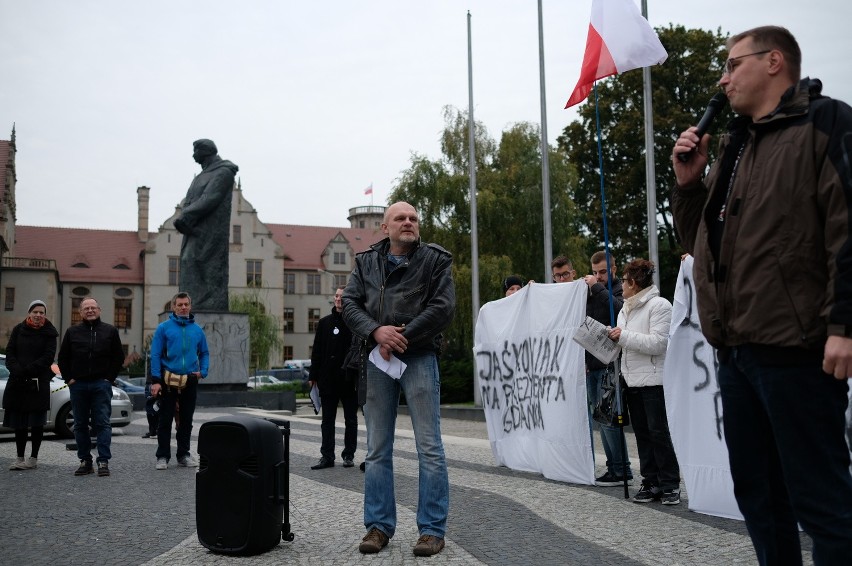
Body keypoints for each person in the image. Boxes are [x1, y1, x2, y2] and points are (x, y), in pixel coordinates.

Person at [671, 25, 852, 564]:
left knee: (821, 500)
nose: (723, 78)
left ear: (774, 61)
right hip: (737, 353)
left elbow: (847, 229)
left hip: (797, 348)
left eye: (732, 65)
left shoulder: (826, 123)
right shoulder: (734, 146)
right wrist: (688, 186)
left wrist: (844, 325)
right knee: (759, 497)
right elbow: (706, 249)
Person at [343, 201, 455, 557]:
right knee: (377, 449)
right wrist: (377, 332)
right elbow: (349, 304)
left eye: (414, 218)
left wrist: (400, 336)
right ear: (385, 227)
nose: (408, 222)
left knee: (430, 447)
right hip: (377, 358)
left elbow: (442, 307)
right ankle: (377, 527)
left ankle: (432, 530)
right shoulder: (365, 261)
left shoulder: (436, 259)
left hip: (419, 355)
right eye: (401, 218)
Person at [607, 259, 679, 504]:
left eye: (624, 281)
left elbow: (659, 343)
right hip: (631, 380)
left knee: (658, 433)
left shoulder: (659, 306)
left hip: (653, 381)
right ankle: (651, 482)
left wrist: (623, 336)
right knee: (642, 434)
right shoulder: (624, 309)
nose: (621, 286)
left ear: (633, 283)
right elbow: (624, 344)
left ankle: (670, 483)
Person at [583, 251, 634, 487]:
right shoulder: (590, 293)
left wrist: (598, 288)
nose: (598, 276)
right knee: (600, 418)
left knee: (609, 418)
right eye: (595, 272)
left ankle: (622, 469)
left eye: (603, 271)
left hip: (610, 363)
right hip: (592, 364)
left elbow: (618, 308)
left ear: (613, 269)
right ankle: (613, 467)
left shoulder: (616, 289)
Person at [58, 297, 124, 477]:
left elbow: (118, 357)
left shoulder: (110, 331)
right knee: (79, 424)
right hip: (78, 385)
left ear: (99, 310)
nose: (90, 310)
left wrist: (108, 379)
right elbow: (63, 357)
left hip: (100, 385)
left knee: (102, 423)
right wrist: (69, 379)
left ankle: (103, 461)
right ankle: (85, 460)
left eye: (93, 307)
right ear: (80, 312)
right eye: (86, 308)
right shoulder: (72, 332)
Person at [173, 139, 238, 312]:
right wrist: (185, 217)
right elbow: (191, 199)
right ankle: (191, 305)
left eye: (195, 151)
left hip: (210, 232)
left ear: (205, 151)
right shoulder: (201, 176)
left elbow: (211, 198)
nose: (193, 155)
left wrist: (187, 214)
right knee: (187, 262)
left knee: (200, 263)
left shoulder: (224, 172)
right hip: (193, 230)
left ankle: (206, 304)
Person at [150, 292, 209, 470]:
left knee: (186, 420)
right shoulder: (163, 328)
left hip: (190, 379)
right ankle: (162, 456)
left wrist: (203, 372)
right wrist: (156, 380)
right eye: (179, 305)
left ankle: (183, 454)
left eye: (186, 304)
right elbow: (155, 355)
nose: (183, 307)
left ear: (190, 306)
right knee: (165, 419)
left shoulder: (197, 330)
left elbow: (204, 353)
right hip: (168, 379)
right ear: (173, 307)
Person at [3, 300, 59, 470]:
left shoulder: (50, 333)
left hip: (37, 384)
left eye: (42, 312)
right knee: (19, 423)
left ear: (45, 315)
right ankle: (19, 458)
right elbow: (10, 352)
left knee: (36, 423)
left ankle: (33, 458)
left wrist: (28, 369)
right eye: (35, 311)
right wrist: (17, 369)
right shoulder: (18, 330)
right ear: (29, 313)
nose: (38, 315)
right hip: (18, 382)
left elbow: (48, 357)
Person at [308, 285, 358, 470]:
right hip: (327, 380)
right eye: (336, 296)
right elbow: (317, 351)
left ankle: (348, 455)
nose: (338, 299)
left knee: (350, 420)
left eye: (342, 297)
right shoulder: (324, 323)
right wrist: (313, 375)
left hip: (348, 380)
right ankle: (327, 456)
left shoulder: (354, 323)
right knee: (327, 420)